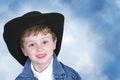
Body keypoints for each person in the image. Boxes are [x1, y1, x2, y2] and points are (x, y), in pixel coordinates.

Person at [3, 11, 81, 80]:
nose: (39, 49)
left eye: (44, 42)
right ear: (24, 50)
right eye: (32, 44)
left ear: (54, 43)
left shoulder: (71, 76)